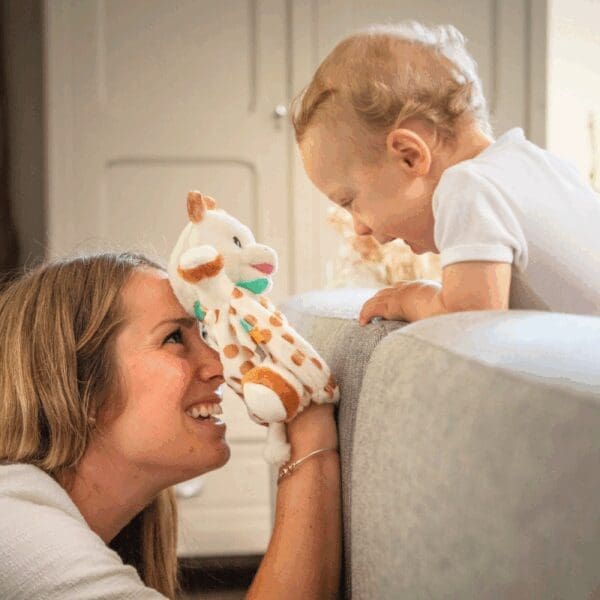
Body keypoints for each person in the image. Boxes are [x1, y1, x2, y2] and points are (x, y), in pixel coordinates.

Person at [0, 252, 341, 599]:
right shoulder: (15, 526)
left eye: (204, 333)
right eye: (175, 338)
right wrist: (309, 427)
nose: (219, 365)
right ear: (80, 389)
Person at [293, 22, 600, 323]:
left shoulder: (467, 186)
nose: (359, 228)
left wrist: (411, 299)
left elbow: (470, 322)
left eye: (349, 201)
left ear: (409, 156)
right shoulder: (544, 166)